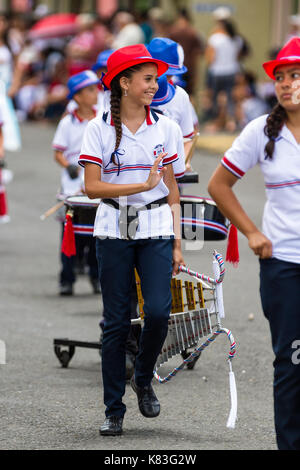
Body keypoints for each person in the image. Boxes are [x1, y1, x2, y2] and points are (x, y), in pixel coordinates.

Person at [79, 44, 184, 436]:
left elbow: (172, 189)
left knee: (158, 311)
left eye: (155, 79)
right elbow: (91, 187)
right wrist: (141, 184)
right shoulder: (98, 127)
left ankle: (142, 377)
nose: (155, 85)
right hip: (112, 229)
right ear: (124, 83)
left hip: (156, 227)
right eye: (147, 78)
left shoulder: (167, 127)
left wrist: (177, 241)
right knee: (116, 323)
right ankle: (113, 409)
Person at [207, 37, 300, 450]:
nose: (285, 83)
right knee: (293, 361)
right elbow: (219, 185)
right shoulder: (261, 131)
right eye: (281, 77)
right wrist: (252, 232)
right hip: (284, 265)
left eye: (294, 75)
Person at [52, 70, 100, 296]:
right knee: (70, 238)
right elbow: (58, 152)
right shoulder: (67, 123)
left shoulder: (102, 119)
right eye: (90, 90)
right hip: (72, 190)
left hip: (94, 187)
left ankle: (96, 277)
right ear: (77, 96)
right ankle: (67, 279)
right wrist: (67, 166)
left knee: (96, 237)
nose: (95, 93)